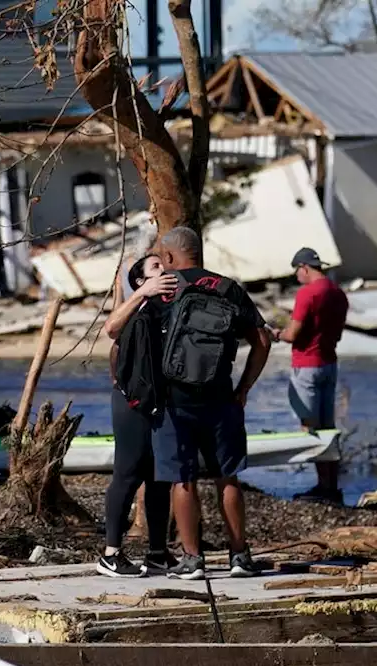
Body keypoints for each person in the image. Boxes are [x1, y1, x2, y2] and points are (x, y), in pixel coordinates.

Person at [148, 227, 272, 580]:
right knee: (227, 477)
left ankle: (192, 560)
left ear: (169, 257)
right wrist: (244, 388)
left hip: (173, 401)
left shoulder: (165, 289)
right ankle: (239, 556)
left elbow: (129, 341)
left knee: (182, 481)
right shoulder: (227, 288)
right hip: (221, 398)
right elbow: (261, 340)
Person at [98, 253, 177, 578]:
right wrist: (141, 293)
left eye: (164, 265)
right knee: (127, 474)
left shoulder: (168, 307)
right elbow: (111, 328)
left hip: (160, 403)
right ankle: (110, 554)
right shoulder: (138, 305)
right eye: (155, 268)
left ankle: (158, 552)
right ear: (140, 281)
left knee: (160, 478)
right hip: (130, 403)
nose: (163, 271)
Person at [273, 247, 349, 505]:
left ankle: (322, 488)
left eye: (297, 271)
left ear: (305, 267)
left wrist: (275, 334)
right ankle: (332, 487)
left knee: (311, 429)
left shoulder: (307, 293)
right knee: (329, 428)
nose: (296, 277)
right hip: (329, 364)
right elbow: (337, 334)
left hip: (307, 366)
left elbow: (293, 334)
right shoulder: (338, 294)